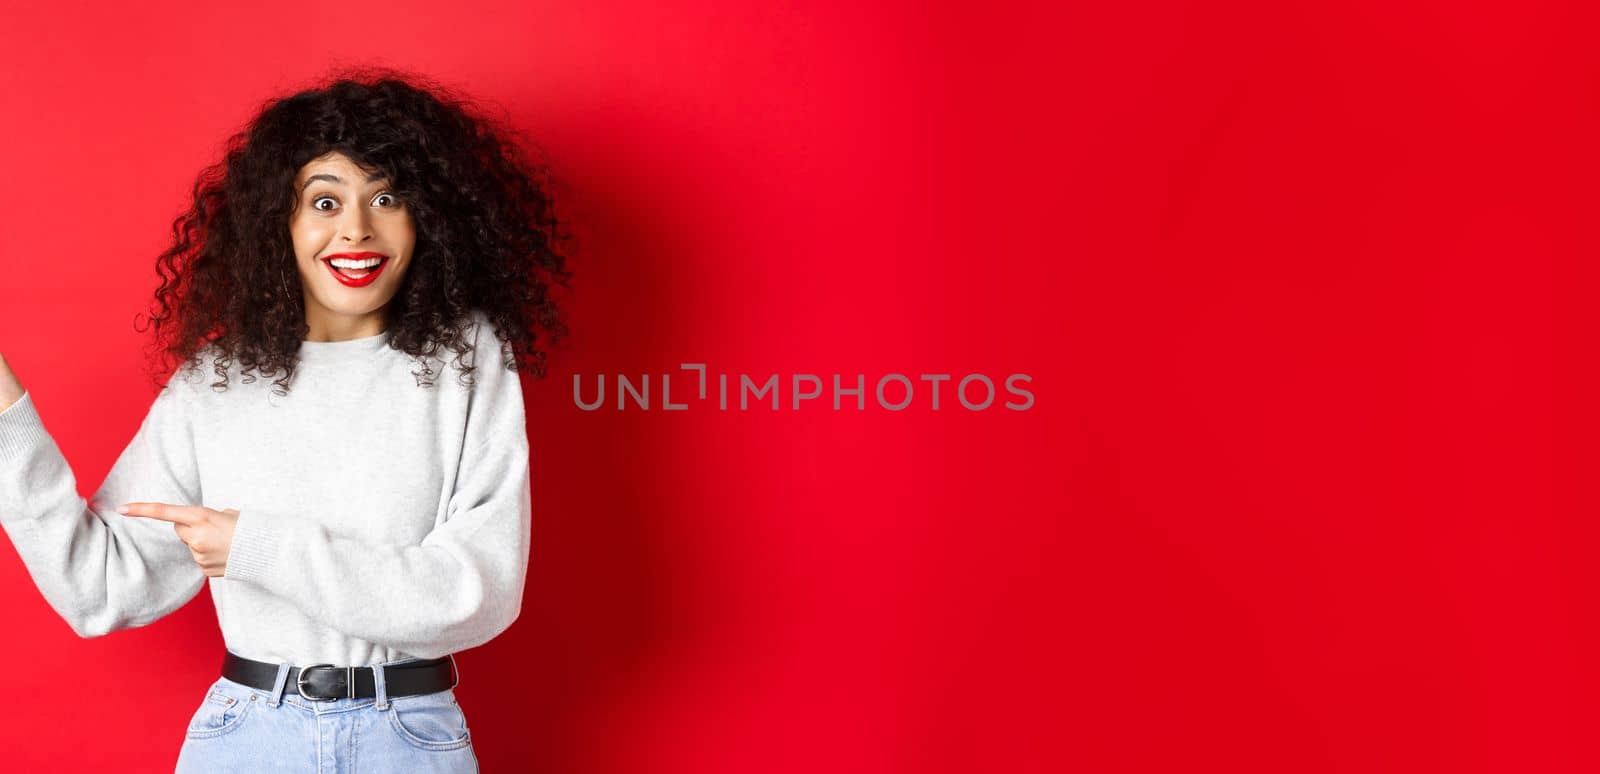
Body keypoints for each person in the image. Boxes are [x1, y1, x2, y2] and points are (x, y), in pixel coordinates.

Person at [0, 67, 571, 772]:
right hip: (247, 737)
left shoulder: (464, 359)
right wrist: (5, 418)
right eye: (324, 202)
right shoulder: (215, 383)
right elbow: (98, 589)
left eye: (386, 197)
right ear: (281, 222)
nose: (356, 230)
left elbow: (475, 594)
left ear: (429, 217)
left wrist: (258, 548)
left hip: (409, 738)